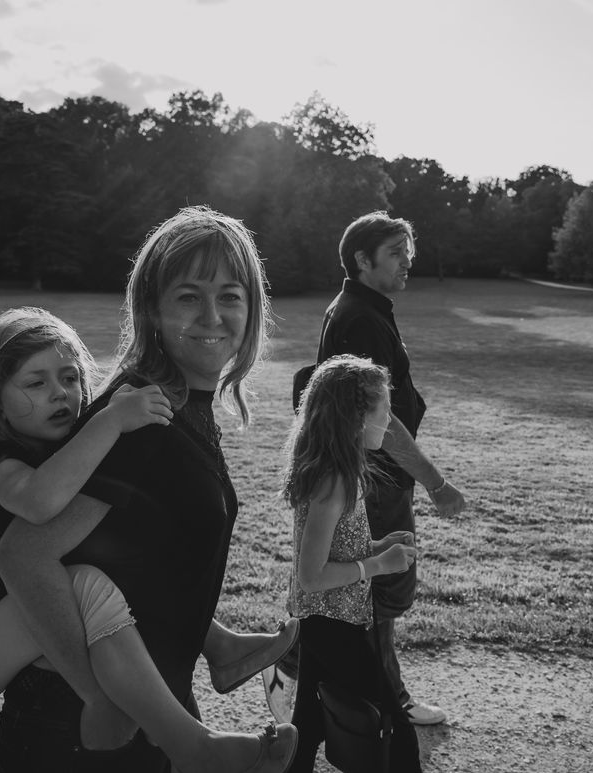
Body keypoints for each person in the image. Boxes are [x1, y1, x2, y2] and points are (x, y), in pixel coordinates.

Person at [0, 206, 297, 772]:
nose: (212, 315)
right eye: (188, 296)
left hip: (150, 704)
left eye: (230, 295)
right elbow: (24, 555)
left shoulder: (183, 406)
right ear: (152, 310)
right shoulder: (141, 415)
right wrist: (99, 697)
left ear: (252, 309)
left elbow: (141, 560)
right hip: (85, 729)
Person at [264, 211, 466, 727]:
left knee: (369, 589)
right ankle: (381, 699)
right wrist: (435, 482)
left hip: (371, 475)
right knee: (376, 592)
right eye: (397, 252)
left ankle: (297, 669)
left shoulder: (362, 310)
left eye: (409, 253)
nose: (408, 263)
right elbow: (379, 415)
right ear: (362, 259)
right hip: (371, 479)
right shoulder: (359, 317)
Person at [284, 355, 423, 773]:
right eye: (385, 408)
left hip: (325, 619)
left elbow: (336, 550)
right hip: (332, 622)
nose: (390, 418)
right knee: (395, 727)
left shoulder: (340, 468)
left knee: (306, 727)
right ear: (358, 416)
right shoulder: (334, 479)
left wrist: (378, 546)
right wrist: (378, 566)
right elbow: (312, 576)